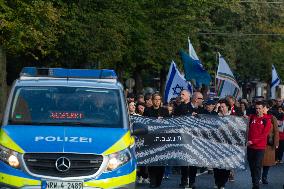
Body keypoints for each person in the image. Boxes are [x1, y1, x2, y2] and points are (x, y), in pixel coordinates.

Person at [174, 90, 203, 189]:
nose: (181, 96)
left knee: (193, 160)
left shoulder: (197, 108)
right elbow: (175, 121)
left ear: (189, 96)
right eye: (180, 94)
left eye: (183, 94)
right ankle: (184, 179)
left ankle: (192, 181)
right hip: (183, 137)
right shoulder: (178, 108)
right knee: (184, 160)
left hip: (194, 138)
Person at [143, 93, 170, 188]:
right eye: (155, 99)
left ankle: (158, 180)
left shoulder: (164, 111)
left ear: (160, 101)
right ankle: (152, 181)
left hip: (162, 139)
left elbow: (169, 124)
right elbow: (144, 123)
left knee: (161, 162)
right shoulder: (147, 110)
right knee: (151, 161)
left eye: (159, 99)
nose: (157, 101)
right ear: (152, 100)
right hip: (151, 139)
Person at [247, 101, 272, 189]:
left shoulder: (267, 120)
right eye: (256, 108)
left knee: (257, 165)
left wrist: (252, 141)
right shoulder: (251, 118)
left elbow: (264, 135)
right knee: (251, 165)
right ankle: (254, 180)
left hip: (259, 147)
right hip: (250, 147)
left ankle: (256, 184)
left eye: (259, 108)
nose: (257, 110)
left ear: (263, 109)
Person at [212, 99, 231, 189]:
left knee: (226, 165)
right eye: (220, 107)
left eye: (223, 107)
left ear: (227, 107)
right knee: (216, 165)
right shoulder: (216, 117)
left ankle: (223, 183)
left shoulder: (232, 117)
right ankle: (217, 181)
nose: (221, 108)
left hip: (228, 145)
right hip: (217, 144)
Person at [261, 102, 279, 185]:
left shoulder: (272, 118)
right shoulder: (257, 117)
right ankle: (257, 177)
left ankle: (264, 176)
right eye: (262, 107)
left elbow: (276, 131)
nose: (263, 109)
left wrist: (276, 142)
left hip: (269, 143)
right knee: (258, 161)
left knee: (267, 162)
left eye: (264, 107)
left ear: (267, 109)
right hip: (259, 142)